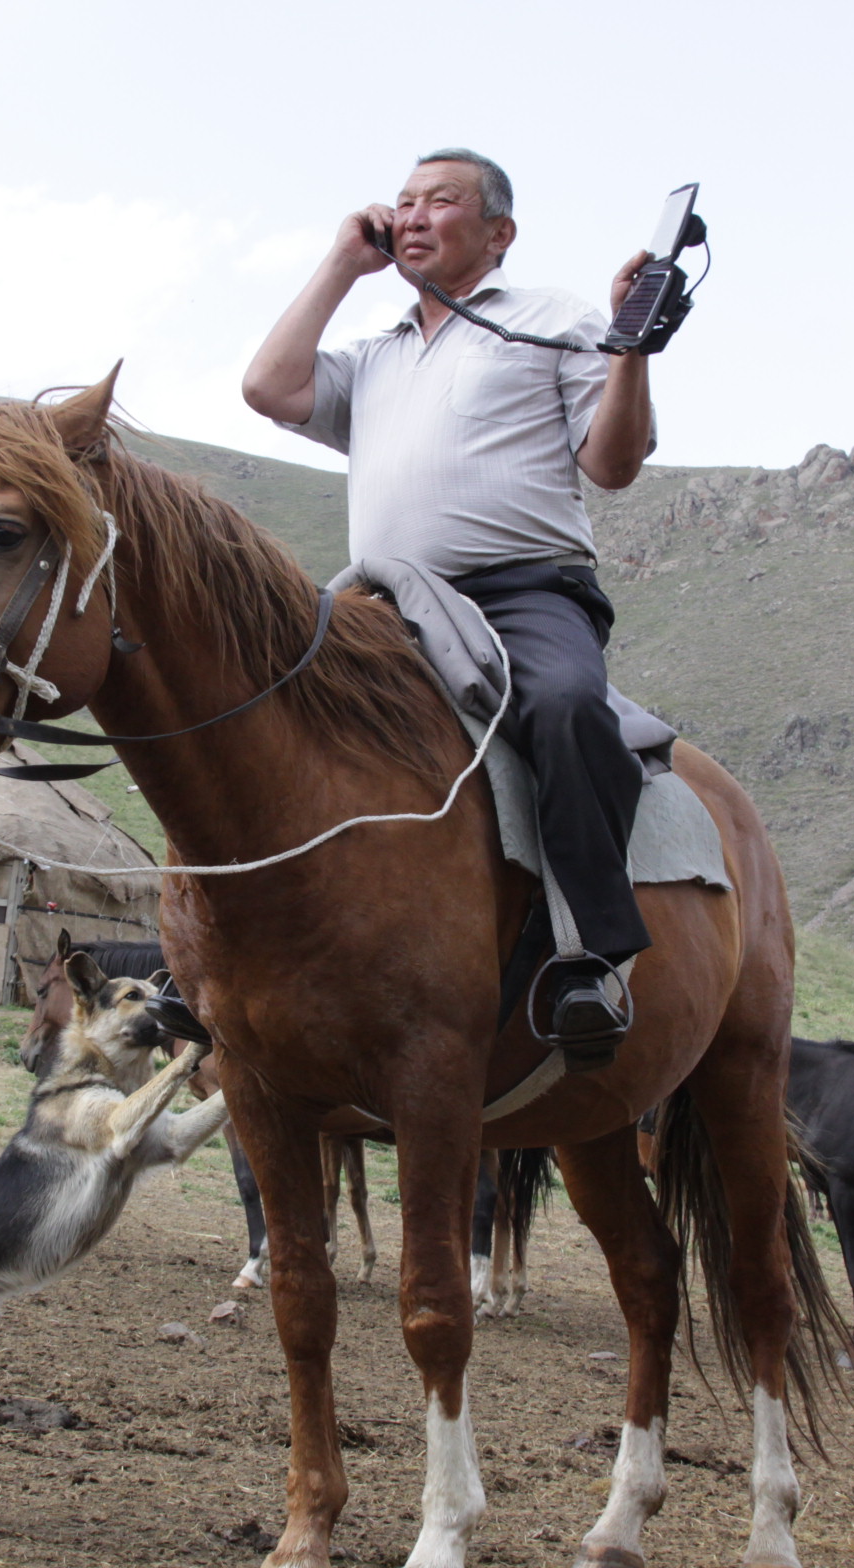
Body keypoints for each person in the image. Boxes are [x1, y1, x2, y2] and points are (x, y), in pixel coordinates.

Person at [242, 147, 660, 1068]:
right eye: (404, 202)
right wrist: (342, 263)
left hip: (524, 593)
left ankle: (588, 956)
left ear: (499, 232)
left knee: (565, 705)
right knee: (255, 701)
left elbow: (613, 464)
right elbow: (268, 387)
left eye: (441, 200)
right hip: (383, 598)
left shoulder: (556, 321)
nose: (414, 215)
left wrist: (631, 349)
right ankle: (222, 954)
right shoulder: (377, 354)